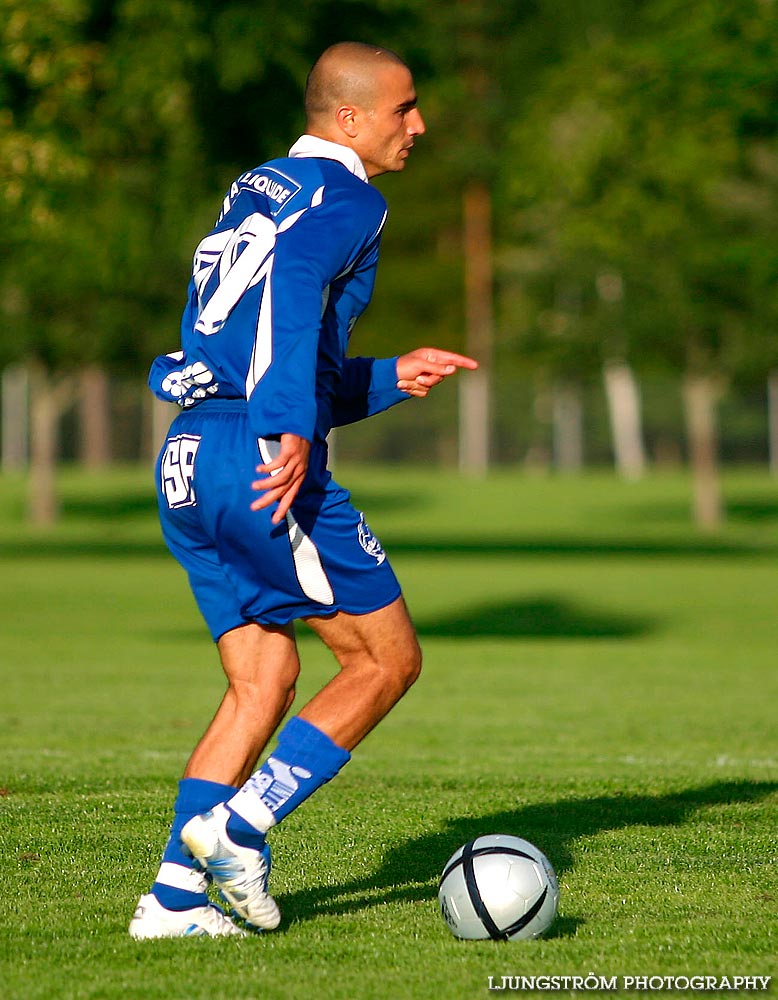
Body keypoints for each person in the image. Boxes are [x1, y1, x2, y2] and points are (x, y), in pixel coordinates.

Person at [129, 41, 478, 939]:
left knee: (264, 677)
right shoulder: (353, 196)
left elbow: (259, 332)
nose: (420, 125)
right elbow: (289, 291)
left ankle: (170, 903)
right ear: (351, 119)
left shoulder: (263, 184)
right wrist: (290, 424)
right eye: (405, 109)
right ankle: (239, 826)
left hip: (189, 454)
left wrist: (391, 376)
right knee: (385, 660)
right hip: (258, 451)